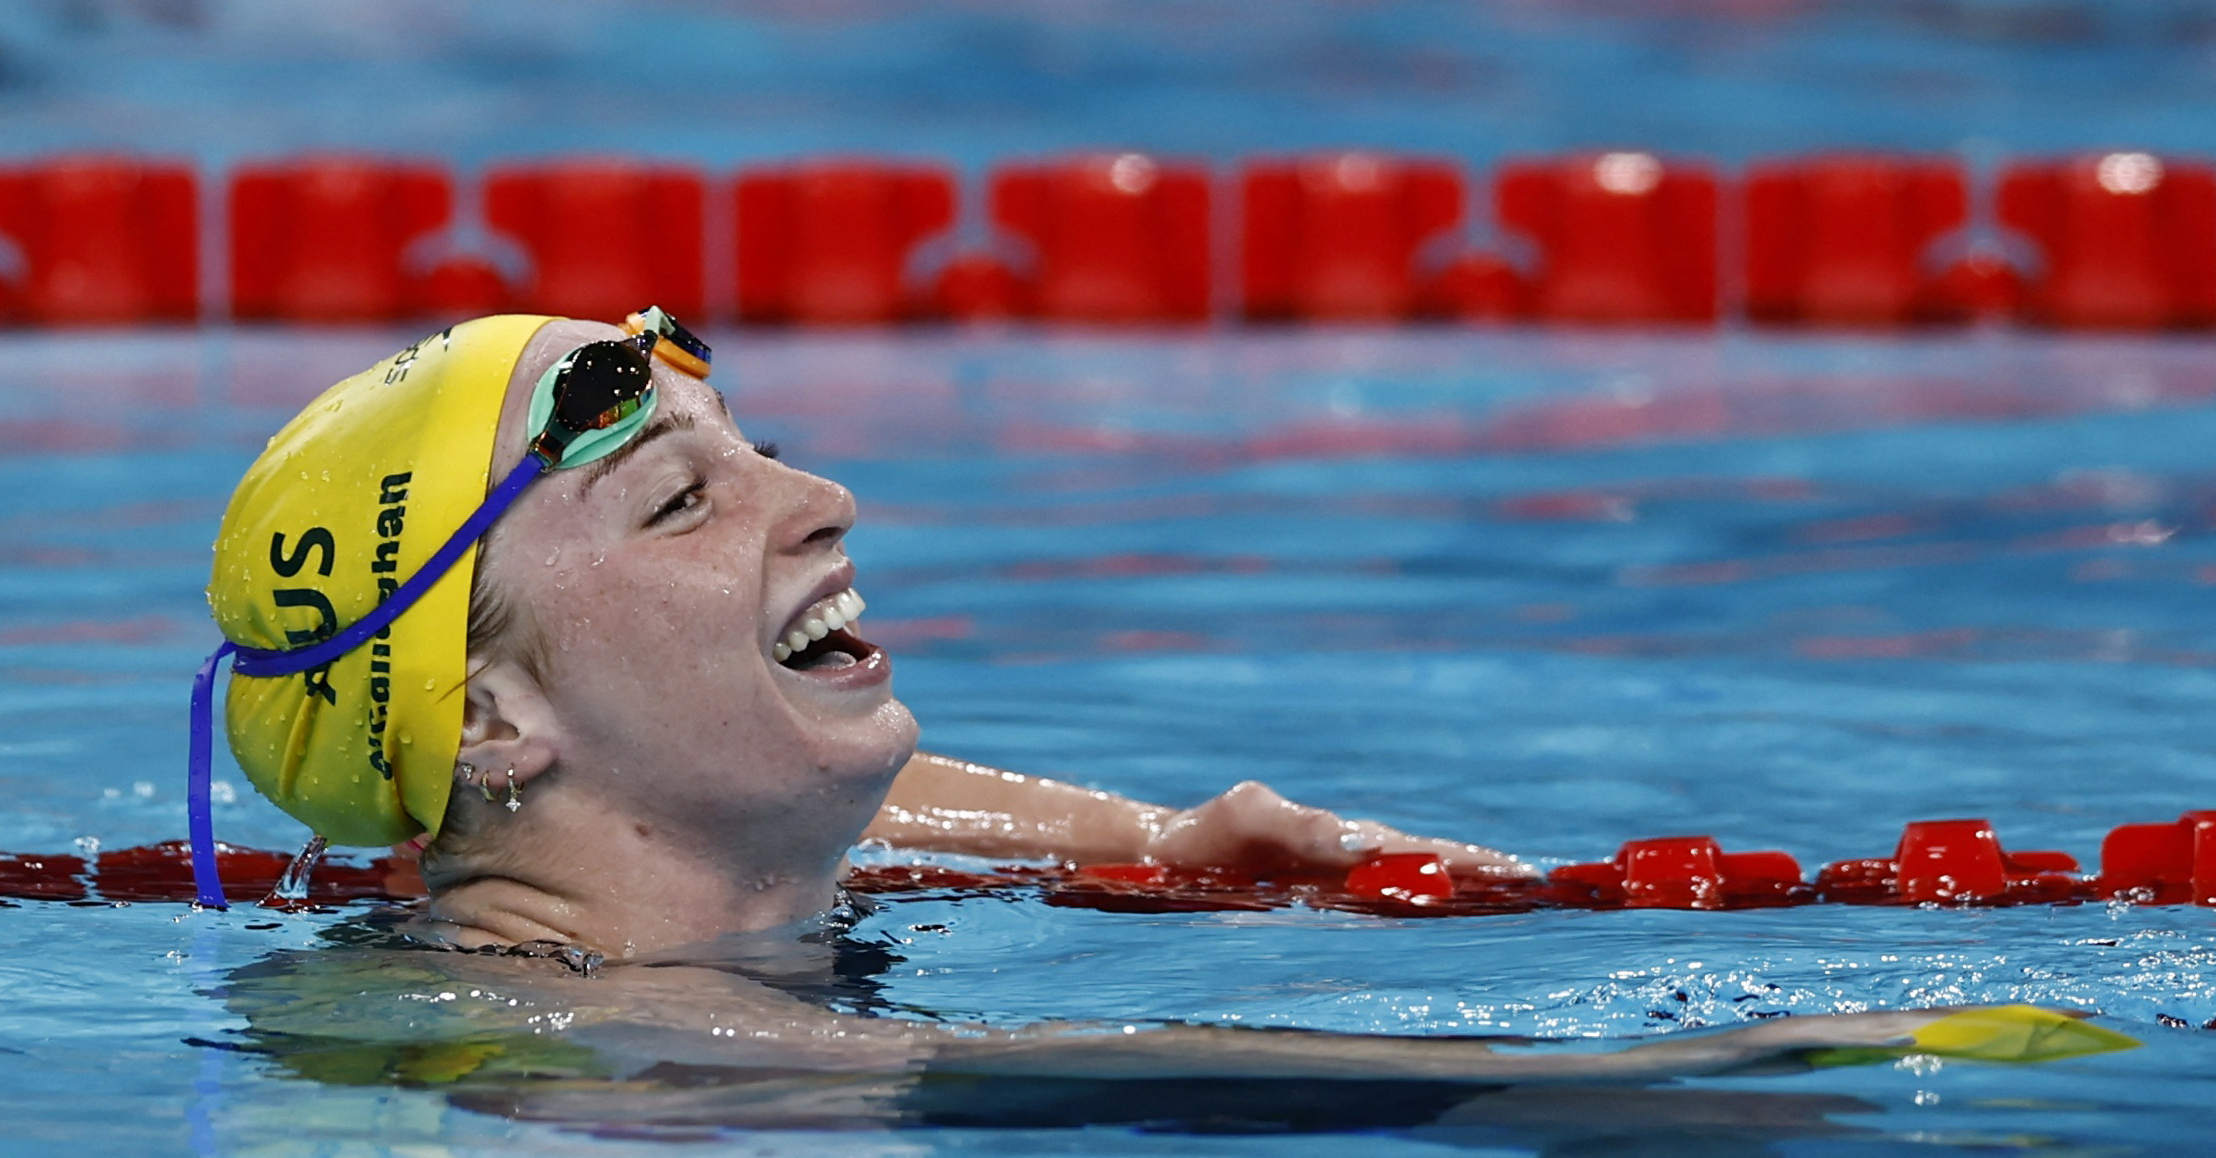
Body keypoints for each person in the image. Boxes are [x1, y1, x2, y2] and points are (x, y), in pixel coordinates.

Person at [194, 309, 2131, 1110]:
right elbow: (1113, 1073)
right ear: (498, 722)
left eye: (756, 441)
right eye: (685, 502)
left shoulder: (615, 865)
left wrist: (1156, 838)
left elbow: (768, 798)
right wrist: (1682, 1082)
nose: (826, 497)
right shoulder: (571, 1054)